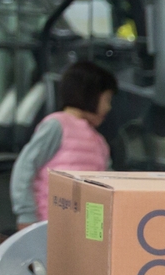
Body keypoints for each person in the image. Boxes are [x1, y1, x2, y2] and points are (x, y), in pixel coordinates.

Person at [9, 60, 115, 225]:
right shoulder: (56, 126)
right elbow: (25, 167)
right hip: (47, 225)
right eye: (107, 99)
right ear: (90, 95)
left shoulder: (99, 141)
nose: (109, 108)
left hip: (84, 228)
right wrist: (26, 214)